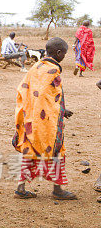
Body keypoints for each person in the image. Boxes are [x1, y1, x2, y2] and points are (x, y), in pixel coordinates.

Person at [13, 37, 76, 200]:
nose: (64, 57)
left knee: (30, 149)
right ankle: (57, 189)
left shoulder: (36, 66)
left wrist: (62, 110)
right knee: (56, 149)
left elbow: (26, 91)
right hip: (48, 121)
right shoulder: (53, 70)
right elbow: (51, 96)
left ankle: (20, 188)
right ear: (59, 52)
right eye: (65, 54)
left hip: (30, 118)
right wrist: (60, 110)